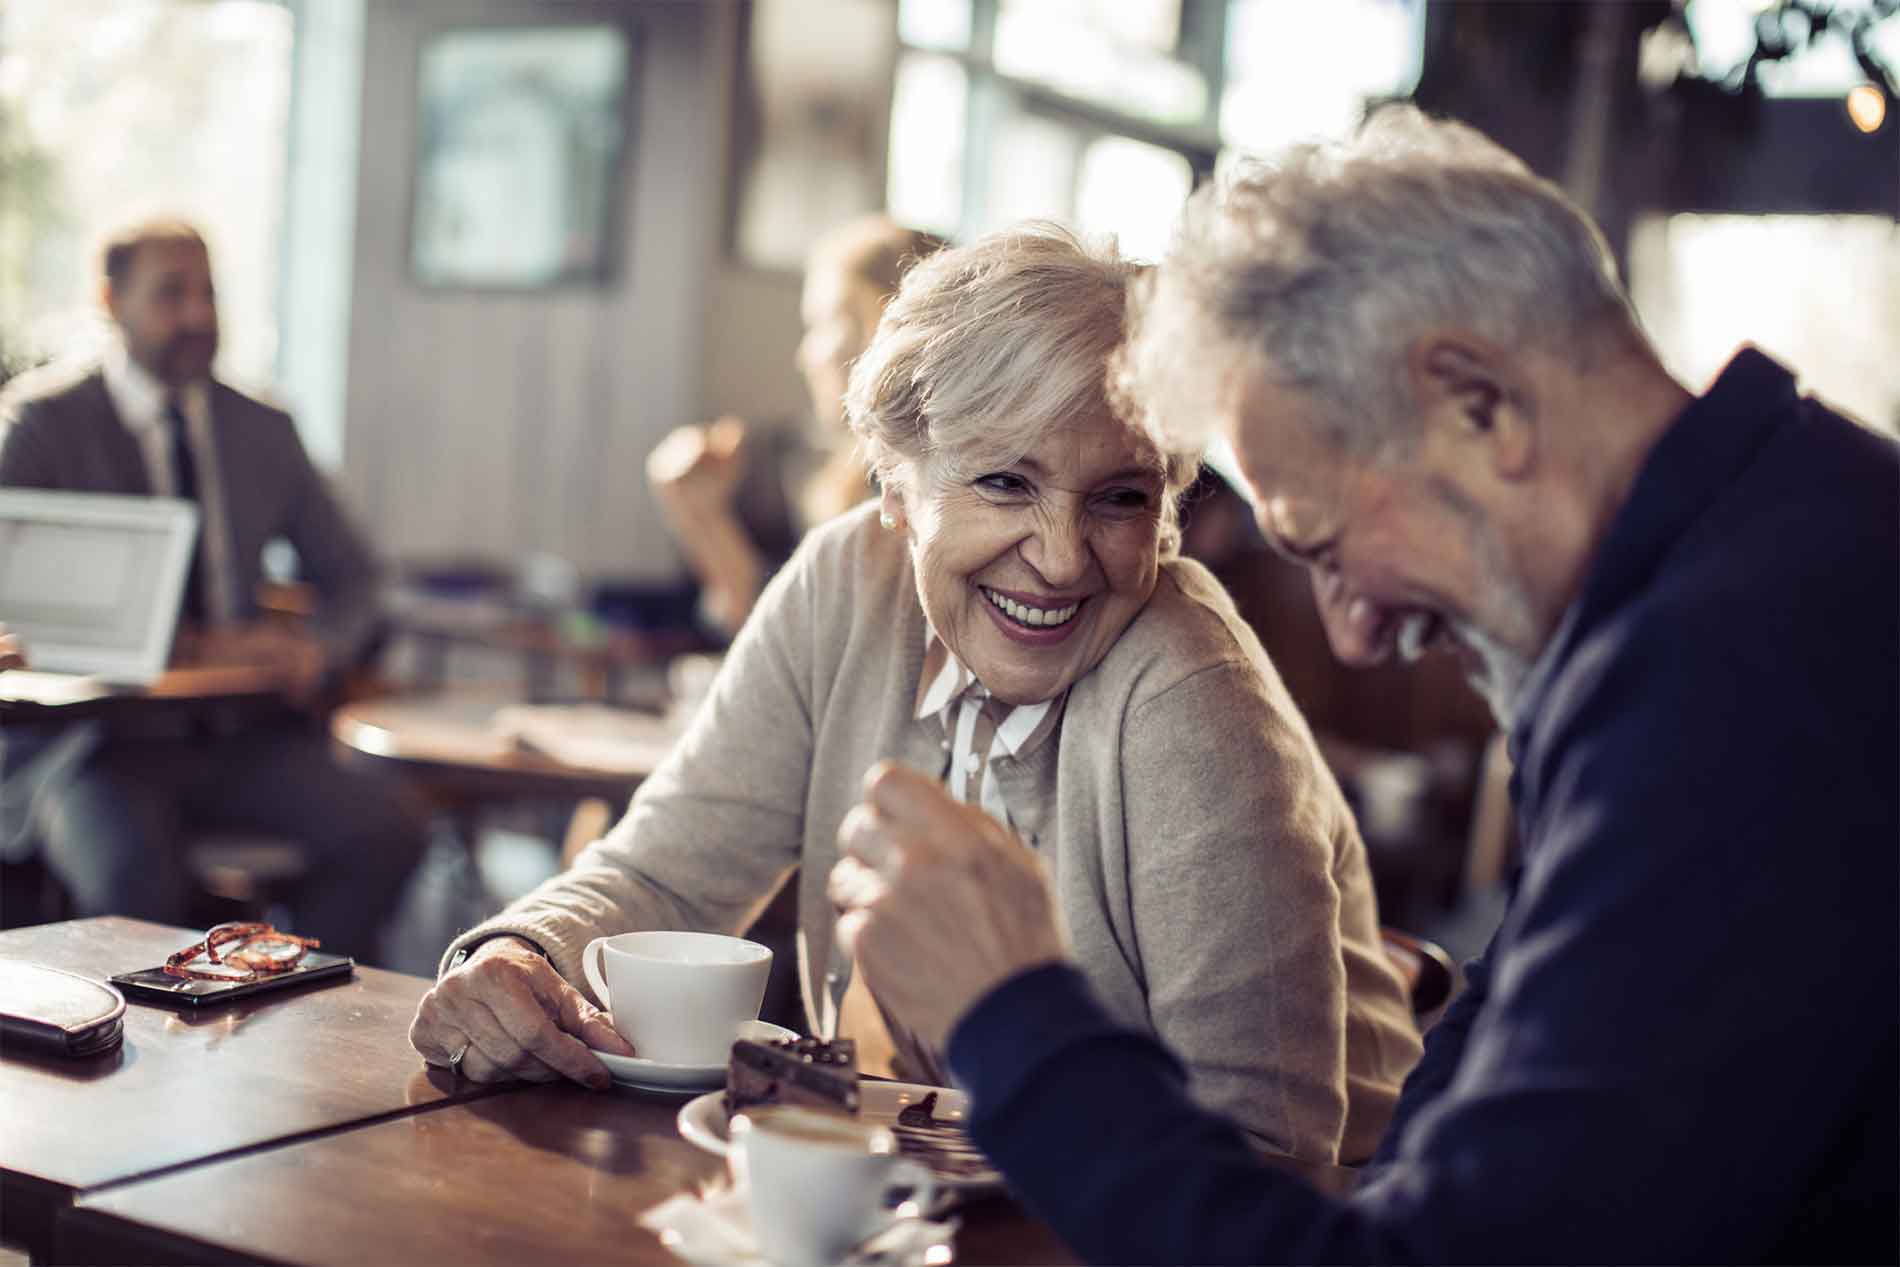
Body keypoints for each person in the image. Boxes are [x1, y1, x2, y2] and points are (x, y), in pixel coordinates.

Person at [830, 106, 1898, 1264]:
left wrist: (1011, 1011)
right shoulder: (1757, 548)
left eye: (1326, 543)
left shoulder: (1736, 684)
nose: (1350, 635)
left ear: (1475, 403)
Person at [411, 224, 1421, 1165]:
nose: (1063, 559)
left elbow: (1266, 1150)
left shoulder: (1193, 695)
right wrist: (517, 952)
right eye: (1005, 483)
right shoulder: (842, 583)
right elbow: (671, 868)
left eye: (1119, 496)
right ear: (894, 486)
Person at [0, 217, 426, 961]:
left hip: (239, 735)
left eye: (209, 293)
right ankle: (129, 1060)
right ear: (110, 299)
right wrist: (194, 644)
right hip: (94, 745)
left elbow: (357, 577)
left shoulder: (261, 426)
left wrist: (317, 649)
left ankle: (295, 1007)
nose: (198, 315)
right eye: (171, 294)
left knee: (386, 827)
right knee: (135, 882)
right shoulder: (42, 426)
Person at [645, 215, 942, 638]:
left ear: (886, 327)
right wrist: (702, 515)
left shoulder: (920, 496)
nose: (807, 355)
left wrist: (706, 523)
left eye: (824, 324)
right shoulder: (841, 479)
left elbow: (815, 660)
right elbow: (780, 659)